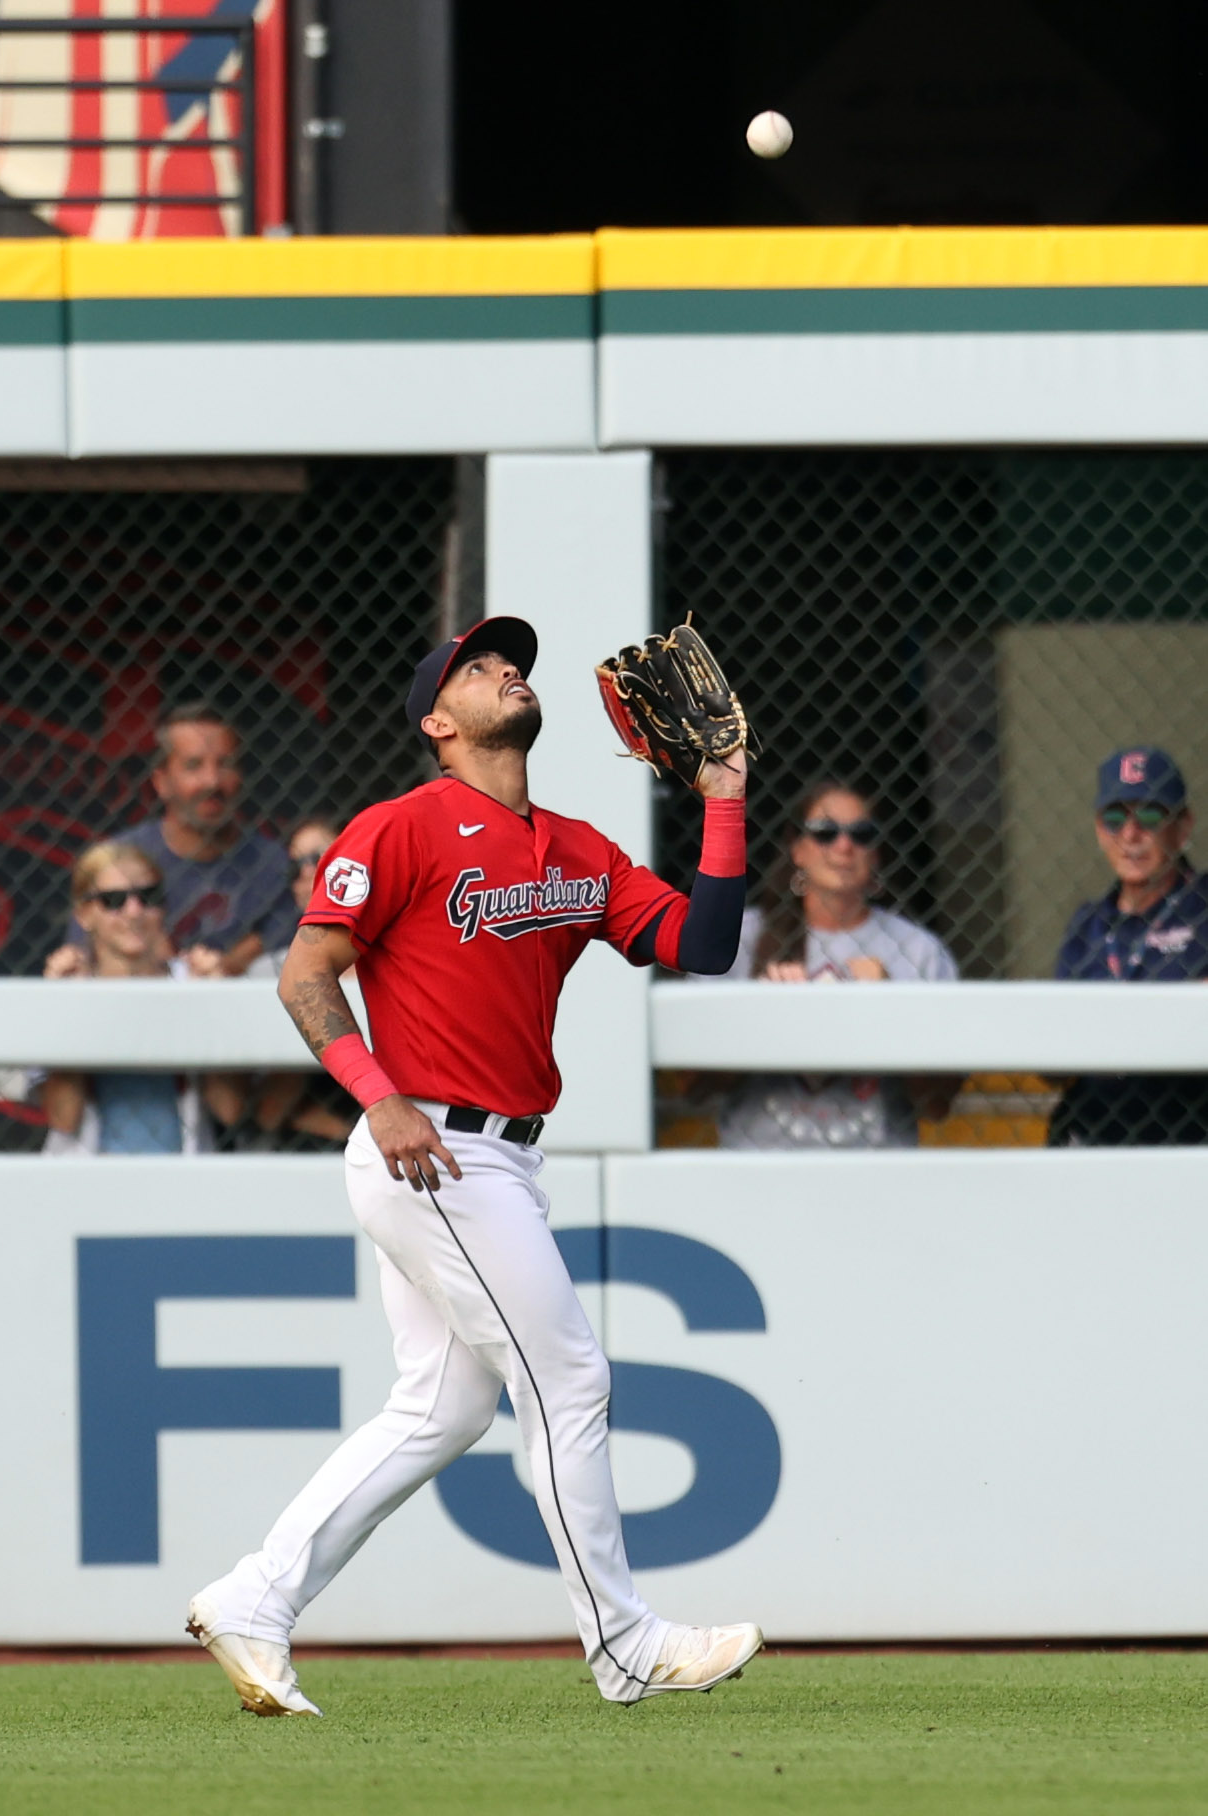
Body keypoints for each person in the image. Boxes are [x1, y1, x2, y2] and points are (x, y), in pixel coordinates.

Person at [185, 615, 762, 1715]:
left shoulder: (575, 847)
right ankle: (624, 1642)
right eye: (479, 666)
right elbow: (304, 975)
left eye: (511, 661)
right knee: (571, 1379)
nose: (508, 669)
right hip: (432, 1151)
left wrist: (723, 796)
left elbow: (704, 944)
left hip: (496, 1158)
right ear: (438, 721)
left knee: (441, 1410)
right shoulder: (400, 827)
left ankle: (256, 1596)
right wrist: (380, 1097)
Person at [716, 778, 959, 1148]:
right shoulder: (739, 938)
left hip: (875, 1171)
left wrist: (893, 1010)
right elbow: (693, 1087)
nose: (844, 846)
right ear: (797, 849)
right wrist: (761, 1015)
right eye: (825, 832)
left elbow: (937, 1104)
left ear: (876, 853)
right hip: (763, 1165)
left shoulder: (918, 949)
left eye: (862, 834)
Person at [50, 703, 297, 979]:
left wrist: (230, 963)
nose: (212, 781)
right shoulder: (121, 860)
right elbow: (84, 960)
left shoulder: (273, 864)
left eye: (225, 764)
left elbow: (289, 958)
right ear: (161, 781)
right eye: (194, 765)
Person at [1049, 746, 1208, 1146]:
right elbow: (1055, 1059)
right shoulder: (1088, 925)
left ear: (1183, 826)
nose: (1131, 835)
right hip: (1094, 1141)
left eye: (1150, 815)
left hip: (1187, 1143)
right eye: (1115, 818)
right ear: (1099, 830)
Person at [41, 840, 216, 1154]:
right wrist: (73, 1006)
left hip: (185, 1177)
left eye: (147, 896)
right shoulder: (71, 986)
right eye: (113, 900)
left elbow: (228, 1107)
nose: (134, 911)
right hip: (87, 1182)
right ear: (83, 913)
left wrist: (214, 1002)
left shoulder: (190, 981)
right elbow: (63, 1117)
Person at [245, 816, 355, 1148]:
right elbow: (267, 1111)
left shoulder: (392, 963)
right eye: (296, 869)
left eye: (321, 860)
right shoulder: (268, 970)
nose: (308, 874)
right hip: (295, 1141)